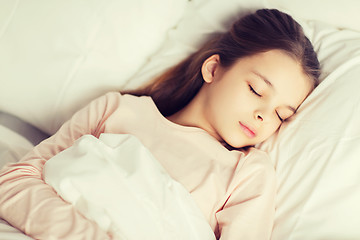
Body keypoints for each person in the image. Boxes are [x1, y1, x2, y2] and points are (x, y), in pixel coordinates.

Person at [0, 8, 320, 240]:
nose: (265, 116)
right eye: (256, 90)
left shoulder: (248, 173)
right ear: (213, 69)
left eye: (282, 114)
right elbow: (13, 182)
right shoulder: (118, 110)